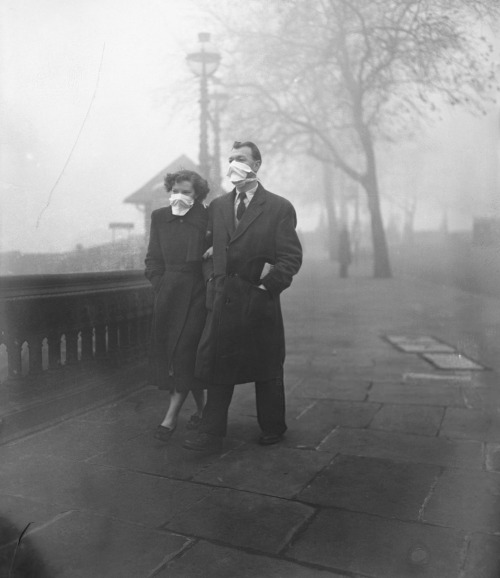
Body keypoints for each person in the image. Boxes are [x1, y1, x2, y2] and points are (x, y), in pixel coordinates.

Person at [183, 141, 303, 452]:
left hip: (258, 300)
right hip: (223, 299)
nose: (235, 163)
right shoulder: (220, 206)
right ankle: (211, 433)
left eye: (242, 159)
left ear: (257, 165)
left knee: (266, 366)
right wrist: (212, 276)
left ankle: (273, 426)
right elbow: (207, 248)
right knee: (217, 366)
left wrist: (267, 286)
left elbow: (290, 257)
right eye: (232, 159)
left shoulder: (278, 207)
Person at [145, 169, 209, 442]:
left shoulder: (207, 217)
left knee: (185, 351)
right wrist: (160, 283)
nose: (179, 196)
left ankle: (170, 418)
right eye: (176, 190)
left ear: (197, 196)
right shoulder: (159, 217)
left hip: (197, 292)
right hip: (169, 294)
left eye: (187, 192)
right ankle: (204, 410)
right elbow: (152, 258)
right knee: (180, 355)